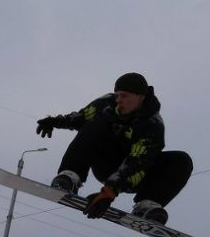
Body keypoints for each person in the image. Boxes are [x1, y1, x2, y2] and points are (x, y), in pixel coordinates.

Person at [34, 72, 192, 225]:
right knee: (95, 124)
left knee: (181, 160)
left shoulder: (152, 124)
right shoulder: (106, 105)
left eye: (124, 96)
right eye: (117, 95)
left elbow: (139, 160)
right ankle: (70, 177)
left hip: (136, 174)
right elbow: (82, 118)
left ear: (140, 97)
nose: (118, 100)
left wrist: (109, 192)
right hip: (106, 164)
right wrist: (55, 121)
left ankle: (147, 205)